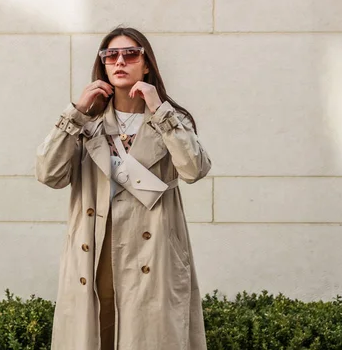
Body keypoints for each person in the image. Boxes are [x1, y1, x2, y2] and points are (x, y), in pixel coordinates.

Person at [36, 26, 211, 350]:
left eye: (130, 54)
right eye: (110, 55)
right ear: (102, 65)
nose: (120, 61)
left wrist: (160, 109)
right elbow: (49, 174)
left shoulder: (170, 120)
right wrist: (74, 113)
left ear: (146, 64)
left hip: (153, 253)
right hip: (95, 249)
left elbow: (194, 169)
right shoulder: (87, 125)